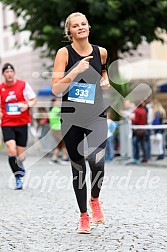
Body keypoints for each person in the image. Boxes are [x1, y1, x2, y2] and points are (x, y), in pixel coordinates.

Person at [52, 12, 110, 234]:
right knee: (78, 168)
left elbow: (103, 71)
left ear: (89, 26)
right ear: (70, 32)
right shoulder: (63, 53)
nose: (81, 28)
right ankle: (84, 216)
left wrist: (104, 79)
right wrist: (75, 71)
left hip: (96, 114)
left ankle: (95, 199)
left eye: (83, 24)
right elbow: (57, 88)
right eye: (75, 26)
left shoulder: (101, 52)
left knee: (97, 162)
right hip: (71, 117)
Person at [0, 63, 37, 189]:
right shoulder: (1, 88)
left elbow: (33, 99)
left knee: (21, 156)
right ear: (3, 74)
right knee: (11, 149)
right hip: (7, 123)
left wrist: (26, 105)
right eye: (6, 72)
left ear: (14, 73)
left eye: (11, 71)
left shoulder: (23, 85)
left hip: (22, 122)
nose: (9, 74)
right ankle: (17, 178)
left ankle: (20, 164)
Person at [48, 97, 68, 164]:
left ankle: (55, 157)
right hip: (58, 129)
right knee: (62, 144)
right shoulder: (56, 110)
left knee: (60, 144)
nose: (59, 102)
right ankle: (64, 158)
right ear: (54, 102)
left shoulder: (52, 110)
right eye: (57, 101)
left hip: (55, 129)